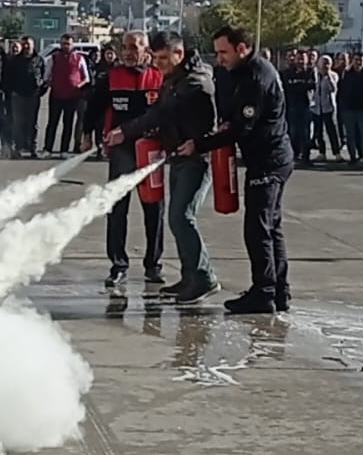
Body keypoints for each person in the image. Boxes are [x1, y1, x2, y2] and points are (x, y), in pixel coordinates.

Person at [179, 25, 293, 314]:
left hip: (269, 160)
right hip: (268, 158)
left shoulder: (257, 76)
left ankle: (264, 293)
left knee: (258, 229)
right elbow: (234, 111)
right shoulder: (243, 73)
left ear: (242, 48)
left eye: (224, 52)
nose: (219, 58)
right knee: (271, 227)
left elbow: (241, 128)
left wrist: (199, 145)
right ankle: (279, 290)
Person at [107, 31, 219, 305]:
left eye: (165, 58)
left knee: (182, 217)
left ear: (179, 54)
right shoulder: (175, 78)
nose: (159, 64)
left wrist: (126, 131)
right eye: (156, 58)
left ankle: (204, 277)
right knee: (176, 218)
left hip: (196, 158)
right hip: (179, 155)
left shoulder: (195, 82)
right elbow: (159, 112)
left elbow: (162, 113)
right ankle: (189, 276)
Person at [96, 31, 165, 288]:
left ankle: (153, 265)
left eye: (133, 47)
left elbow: (165, 113)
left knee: (154, 210)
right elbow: (94, 106)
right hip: (121, 153)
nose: (127, 52)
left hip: (151, 153)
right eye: (124, 47)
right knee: (117, 210)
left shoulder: (159, 77)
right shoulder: (111, 77)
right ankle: (118, 265)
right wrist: (86, 134)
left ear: (146, 51)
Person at [44, 35, 91, 155]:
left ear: (72, 45)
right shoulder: (53, 58)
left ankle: (64, 150)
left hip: (72, 96)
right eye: (64, 43)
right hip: (56, 95)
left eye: (68, 44)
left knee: (68, 123)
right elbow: (47, 76)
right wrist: (52, 84)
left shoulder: (79, 58)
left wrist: (78, 85)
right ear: (60, 44)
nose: (66, 46)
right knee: (52, 122)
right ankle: (47, 149)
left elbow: (86, 78)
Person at [1, 36, 46, 159]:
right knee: (18, 123)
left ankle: (33, 148)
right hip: (18, 95)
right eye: (24, 44)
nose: (26, 47)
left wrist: (40, 90)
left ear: (33, 45)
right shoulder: (15, 60)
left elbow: (44, 77)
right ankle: (18, 148)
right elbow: (8, 77)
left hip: (33, 95)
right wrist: (11, 92)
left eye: (28, 44)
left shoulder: (39, 59)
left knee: (33, 123)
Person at [337, 52, 363, 165]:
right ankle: (353, 157)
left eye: (361, 60)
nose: (358, 62)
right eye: (356, 60)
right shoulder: (346, 73)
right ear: (352, 60)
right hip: (348, 108)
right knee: (350, 134)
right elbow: (341, 91)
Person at [279, 50, 315, 164]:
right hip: (291, 106)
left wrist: (300, 85)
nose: (300, 61)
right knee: (292, 132)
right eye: (298, 58)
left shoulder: (311, 72)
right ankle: (294, 154)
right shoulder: (286, 73)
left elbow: (312, 86)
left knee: (305, 132)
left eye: (303, 59)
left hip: (306, 106)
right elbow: (285, 89)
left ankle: (306, 156)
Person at [310, 54, 342, 161]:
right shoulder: (314, 75)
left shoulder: (333, 75)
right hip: (316, 107)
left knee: (331, 130)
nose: (325, 66)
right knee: (319, 131)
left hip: (328, 107)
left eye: (327, 63)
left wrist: (327, 76)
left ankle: (336, 152)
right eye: (323, 63)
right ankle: (321, 152)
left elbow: (333, 89)